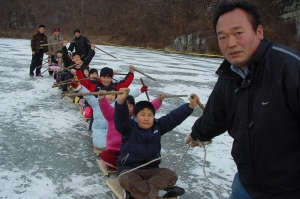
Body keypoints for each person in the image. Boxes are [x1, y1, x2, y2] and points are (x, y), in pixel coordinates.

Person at [185, 1, 300, 199]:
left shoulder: (289, 68)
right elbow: (216, 114)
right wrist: (198, 133)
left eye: (238, 33)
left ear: (259, 32)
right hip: (245, 184)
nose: (230, 43)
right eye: (223, 37)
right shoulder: (229, 74)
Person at [115, 88, 199, 199]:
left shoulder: (158, 126)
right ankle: (159, 192)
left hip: (152, 170)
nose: (146, 118)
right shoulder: (129, 128)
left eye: (150, 115)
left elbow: (173, 117)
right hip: (130, 170)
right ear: (135, 116)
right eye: (143, 115)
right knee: (126, 179)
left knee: (171, 175)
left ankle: (138, 192)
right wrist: (120, 102)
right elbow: (121, 119)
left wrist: (190, 106)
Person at [99, 91, 163, 171]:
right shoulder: (113, 114)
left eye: (130, 106)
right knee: (105, 155)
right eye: (125, 106)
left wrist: (158, 100)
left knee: (140, 157)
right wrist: (102, 99)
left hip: (131, 151)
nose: (127, 108)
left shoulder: (136, 116)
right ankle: (122, 166)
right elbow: (105, 107)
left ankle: (129, 165)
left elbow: (149, 108)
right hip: (115, 149)